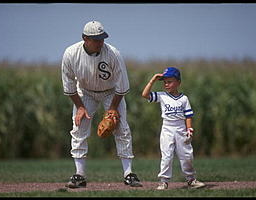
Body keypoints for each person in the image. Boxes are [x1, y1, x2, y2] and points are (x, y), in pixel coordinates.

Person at [61, 20, 142, 188]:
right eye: (96, 39)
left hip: (111, 93)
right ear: (85, 38)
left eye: (102, 38)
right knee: (79, 128)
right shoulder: (71, 54)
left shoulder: (113, 53)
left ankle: (129, 174)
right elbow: (69, 86)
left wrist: (112, 108)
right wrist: (81, 107)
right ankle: (79, 175)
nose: (100, 42)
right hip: (85, 92)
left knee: (121, 128)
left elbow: (122, 86)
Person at [141, 67, 205, 190]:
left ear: (178, 82)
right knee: (167, 155)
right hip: (167, 128)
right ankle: (163, 181)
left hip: (181, 128)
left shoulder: (184, 98)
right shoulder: (162, 96)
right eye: (165, 82)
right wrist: (153, 80)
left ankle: (191, 180)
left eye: (169, 81)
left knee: (186, 155)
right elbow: (145, 94)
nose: (166, 84)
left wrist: (189, 129)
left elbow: (188, 115)